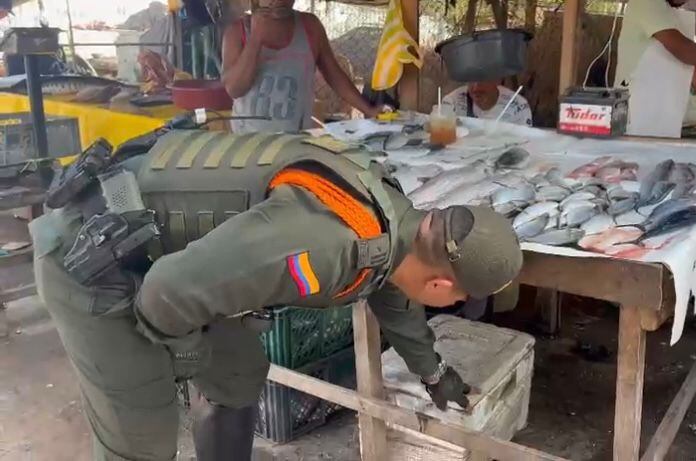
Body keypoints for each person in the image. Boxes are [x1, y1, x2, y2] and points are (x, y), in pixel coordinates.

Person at [30, 129, 523, 460]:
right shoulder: (331, 245)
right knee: (142, 435)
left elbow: (390, 293)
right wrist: (181, 359)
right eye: (455, 300)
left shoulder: (394, 219)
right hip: (93, 260)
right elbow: (166, 294)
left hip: (164, 258)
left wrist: (432, 373)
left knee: (239, 372)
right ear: (441, 285)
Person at [221, 0, 382, 133]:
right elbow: (235, 89)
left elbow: (334, 75)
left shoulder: (310, 26)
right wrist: (256, 39)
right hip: (249, 143)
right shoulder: (237, 32)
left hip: (296, 142)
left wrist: (368, 110)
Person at [441, 80, 533, 126]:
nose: (476, 88)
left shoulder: (518, 107)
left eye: (482, 80)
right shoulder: (452, 102)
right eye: (471, 80)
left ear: (497, 80)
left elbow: (524, 144)